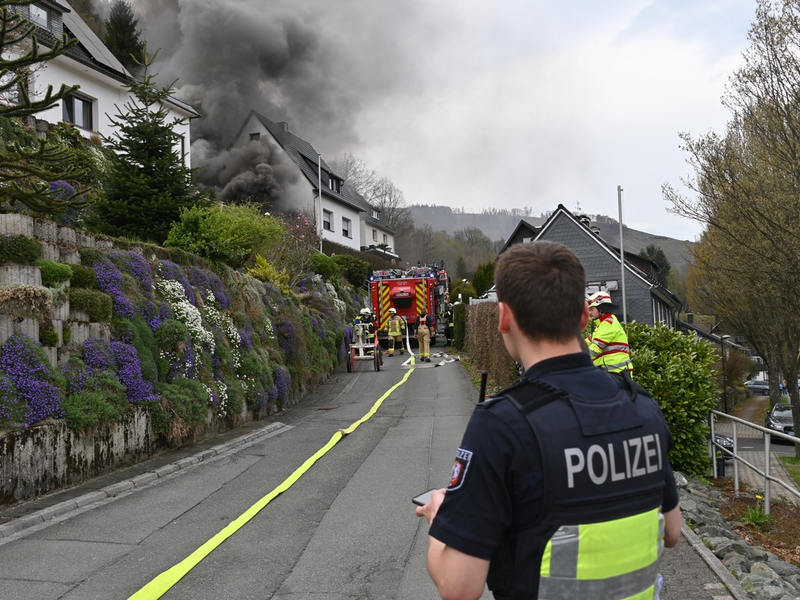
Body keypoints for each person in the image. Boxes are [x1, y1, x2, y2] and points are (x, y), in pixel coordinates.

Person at [415, 241, 681, 600]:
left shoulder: (503, 424)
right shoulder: (643, 408)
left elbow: (458, 587)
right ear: (584, 317)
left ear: (503, 317)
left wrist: (440, 519)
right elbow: (672, 531)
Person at [585, 291, 633, 373]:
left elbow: (594, 350)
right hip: (611, 374)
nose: (589, 313)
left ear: (601, 308)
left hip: (618, 374)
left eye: (591, 309)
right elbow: (585, 343)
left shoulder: (609, 324)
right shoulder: (602, 325)